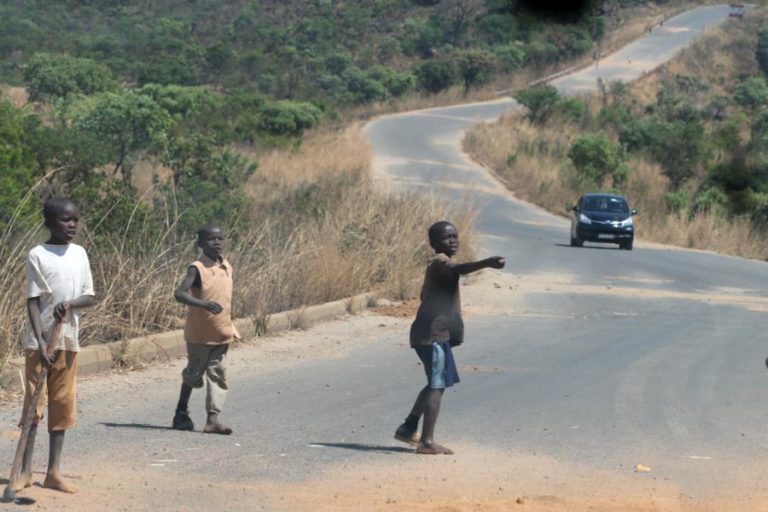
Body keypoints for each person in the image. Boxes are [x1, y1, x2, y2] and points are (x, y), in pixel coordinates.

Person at [394, 221, 505, 455]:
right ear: (433, 244)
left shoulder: (441, 266)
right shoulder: (440, 262)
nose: (453, 240)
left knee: (436, 384)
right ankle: (426, 442)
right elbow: (459, 269)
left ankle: (408, 428)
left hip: (437, 334)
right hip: (431, 335)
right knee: (437, 384)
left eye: (455, 236)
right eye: (446, 238)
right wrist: (487, 263)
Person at [17, 197, 96, 494]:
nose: (72, 225)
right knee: (33, 407)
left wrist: (70, 303)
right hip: (40, 342)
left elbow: (90, 295)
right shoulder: (37, 254)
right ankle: (23, 471)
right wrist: (39, 340)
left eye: (75, 219)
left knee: (61, 405)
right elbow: (33, 301)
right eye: (65, 220)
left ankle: (53, 472)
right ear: (49, 223)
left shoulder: (80, 254)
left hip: (68, 341)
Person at [172, 225, 239, 435]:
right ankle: (181, 412)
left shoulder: (226, 266)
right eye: (211, 239)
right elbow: (179, 294)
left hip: (222, 332)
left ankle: (212, 419)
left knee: (218, 375)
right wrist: (203, 304)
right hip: (199, 335)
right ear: (200, 244)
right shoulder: (197, 268)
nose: (217, 242)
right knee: (193, 374)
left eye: (220, 238)